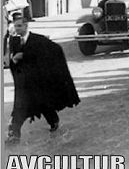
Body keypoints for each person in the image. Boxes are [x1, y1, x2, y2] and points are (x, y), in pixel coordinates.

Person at [5, 15, 79, 144]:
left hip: (38, 83)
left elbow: (54, 50)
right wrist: (14, 60)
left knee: (44, 105)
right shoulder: (14, 42)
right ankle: (14, 135)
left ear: (26, 26)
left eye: (19, 26)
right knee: (19, 109)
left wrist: (25, 55)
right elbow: (13, 60)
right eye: (15, 26)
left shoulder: (38, 40)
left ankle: (54, 121)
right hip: (24, 84)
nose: (17, 29)